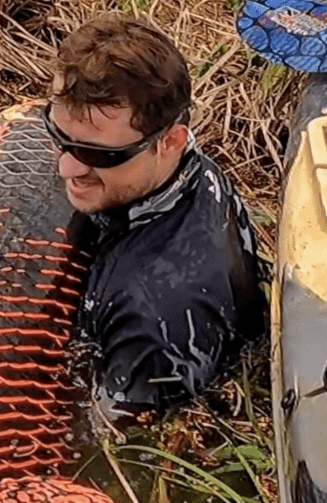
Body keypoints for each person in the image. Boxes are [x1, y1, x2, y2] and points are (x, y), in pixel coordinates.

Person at [45, 16, 265, 415]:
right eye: (58, 136)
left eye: (98, 155)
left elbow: (117, 447)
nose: (67, 168)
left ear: (171, 141)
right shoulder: (179, 171)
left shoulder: (154, 326)